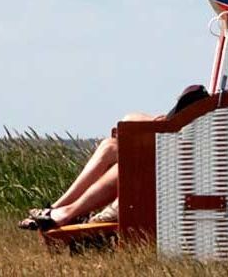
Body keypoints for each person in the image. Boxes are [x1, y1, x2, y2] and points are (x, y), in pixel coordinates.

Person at [17, 85, 211, 231]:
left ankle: (67, 213)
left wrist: (159, 126)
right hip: (169, 157)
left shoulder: (197, 138)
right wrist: (158, 123)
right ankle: (57, 208)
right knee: (109, 146)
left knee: (128, 162)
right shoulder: (186, 127)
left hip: (175, 171)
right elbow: (127, 119)